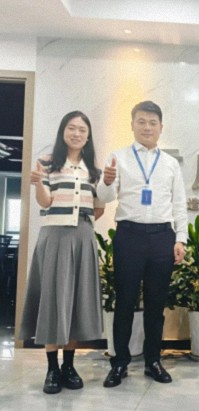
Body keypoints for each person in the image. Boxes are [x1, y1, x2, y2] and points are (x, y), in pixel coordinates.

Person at [97, 100, 188, 388]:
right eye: (141, 121)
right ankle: (119, 363)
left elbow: (179, 204)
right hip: (129, 235)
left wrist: (181, 238)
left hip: (162, 237)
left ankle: (153, 361)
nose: (147, 127)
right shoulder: (119, 157)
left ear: (161, 127)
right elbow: (105, 198)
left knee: (155, 304)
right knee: (124, 302)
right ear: (132, 124)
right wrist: (106, 182)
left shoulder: (170, 163)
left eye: (152, 123)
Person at [20, 111, 105, 394]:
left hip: (82, 238)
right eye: (71, 128)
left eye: (82, 130)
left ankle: (69, 366)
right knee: (53, 300)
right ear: (63, 131)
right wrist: (37, 184)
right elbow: (45, 202)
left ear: (88, 136)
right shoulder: (46, 163)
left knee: (75, 302)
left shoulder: (94, 170)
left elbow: (99, 207)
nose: (76, 133)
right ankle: (52, 369)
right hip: (54, 237)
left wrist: (84, 224)